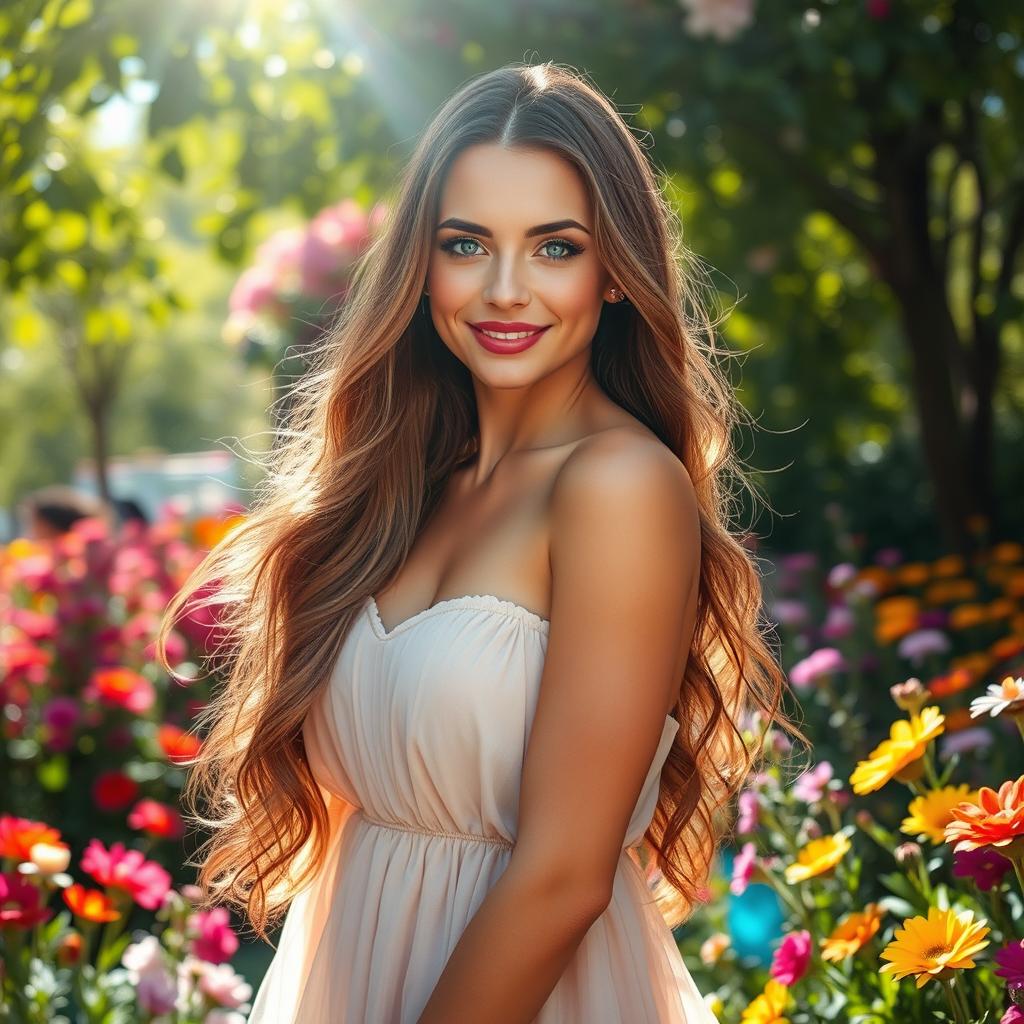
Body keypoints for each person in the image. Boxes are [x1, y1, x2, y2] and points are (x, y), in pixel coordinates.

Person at [159, 61, 805, 1023]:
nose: (506, 290)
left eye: (555, 248)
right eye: (468, 244)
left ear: (615, 273)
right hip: (346, 975)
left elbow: (565, 876)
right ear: (422, 266)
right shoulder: (406, 483)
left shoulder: (618, 487)